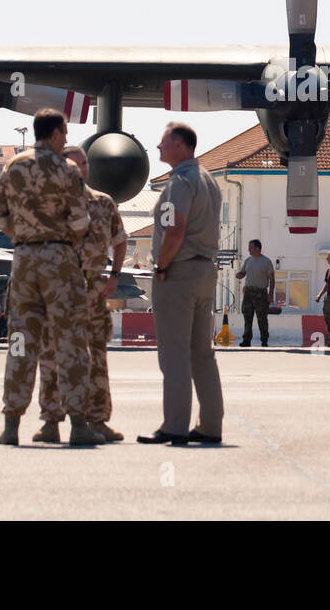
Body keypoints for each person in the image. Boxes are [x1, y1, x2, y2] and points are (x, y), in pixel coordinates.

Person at [0, 108, 102, 447]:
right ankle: (79, 424)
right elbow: (81, 222)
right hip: (59, 260)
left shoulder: (12, 167)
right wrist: (61, 240)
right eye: (65, 133)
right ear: (54, 134)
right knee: (69, 340)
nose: (66, 139)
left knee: (20, 341)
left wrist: (24, 236)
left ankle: (11, 425)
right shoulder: (67, 169)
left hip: (23, 260)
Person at [33, 144, 130, 443]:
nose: (82, 170)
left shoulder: (103, 203)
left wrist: (114, 274)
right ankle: (51, 421)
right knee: (51, 356)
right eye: (75, 165)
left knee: (96, 356)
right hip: (57, 290)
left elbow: (120, 239)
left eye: (84, 164)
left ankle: (97, 420)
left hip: (92, 290)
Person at [137, 123, 224, 445]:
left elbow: (175, 231)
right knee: (202, 353)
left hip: (179, 274)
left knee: (174, 354)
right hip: (204, 272)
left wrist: (162, 265)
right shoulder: (208, 179)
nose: (158, 148)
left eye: (162, 143)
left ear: (179, 145)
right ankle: (211, 425)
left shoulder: (180, 183)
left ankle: (174, 425)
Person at [234, 239, 275, 347]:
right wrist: (239, 274)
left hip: (260, 293)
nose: (248, 250)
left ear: (257, 248)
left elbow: (272, 279)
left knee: (262, 318)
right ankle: (246, 340)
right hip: (248, 292)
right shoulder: (248, 260)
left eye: (251, 247)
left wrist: (270, 294)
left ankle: (264, 340)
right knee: (247, 317)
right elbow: (243, 273)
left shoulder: (266, 262)